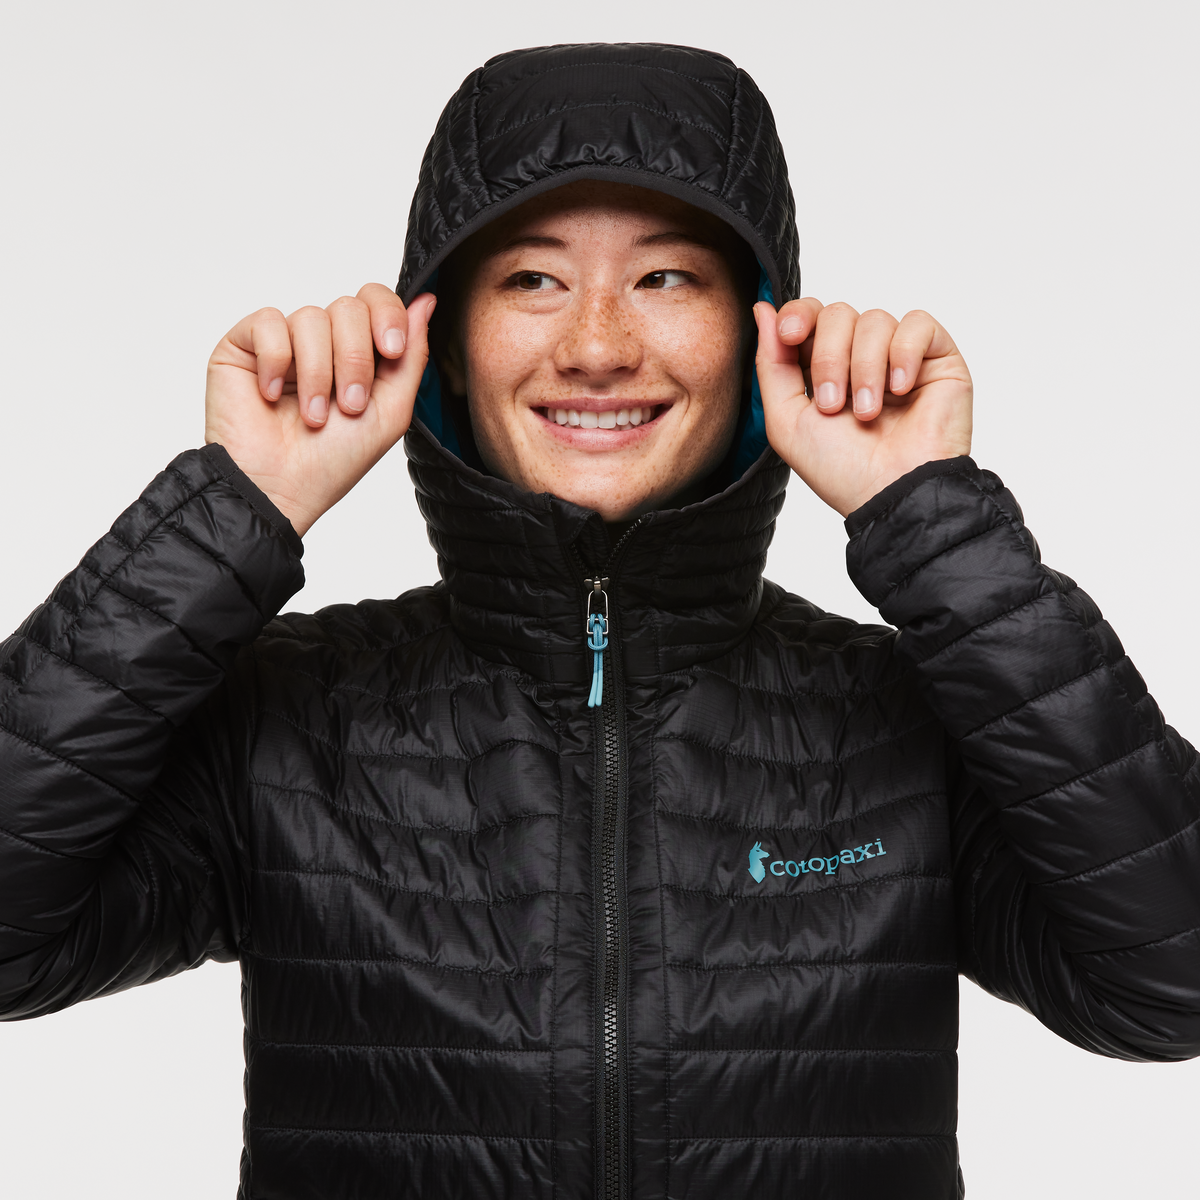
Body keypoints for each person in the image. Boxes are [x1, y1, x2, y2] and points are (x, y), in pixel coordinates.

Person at [1, 40, 1197, 1200]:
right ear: (444, 345)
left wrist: (930, 522)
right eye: (532, 280)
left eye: (667, 278)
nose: (596, 347)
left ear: (763, 330)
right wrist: (233, 510)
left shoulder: (905, 716)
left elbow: (1173, 983)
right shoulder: (290, 716)